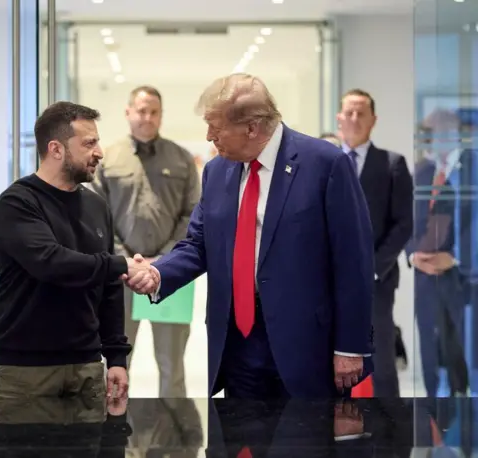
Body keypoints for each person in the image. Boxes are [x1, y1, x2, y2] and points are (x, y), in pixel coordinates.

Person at [126, 73, 375, 399]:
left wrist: (351, 346)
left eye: (216, 126)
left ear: (252, 128)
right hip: (237, 344)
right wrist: (158, 273)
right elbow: (200, 242)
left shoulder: (325, 164)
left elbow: (353, 260)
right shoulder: (217, 171)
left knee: (303, 444)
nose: (209, 135)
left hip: (306, 346)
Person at [0, 101, 154, 404]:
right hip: (26, 372)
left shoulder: (96, 205)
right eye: (89, 143)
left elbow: (108, 288)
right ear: (56, 149)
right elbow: (50, 263)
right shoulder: (17, 203)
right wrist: (122, 264)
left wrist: (117, 357)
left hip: (87, 368)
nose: (99, 152)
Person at [92, 86, 201, 398]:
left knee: (172, 365)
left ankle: (173, 445)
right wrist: (126, 260)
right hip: (120, 278)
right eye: (141, 110)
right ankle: (112, 438)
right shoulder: (108, 159)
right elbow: (98, 217)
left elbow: (192, 215)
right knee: (116, 364)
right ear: (128, 112)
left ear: (161, 116)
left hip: (171, 279)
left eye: (154, 111)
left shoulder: (181, 159)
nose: (147, 117)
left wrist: (163, 262)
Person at [337, 89, 413, 397]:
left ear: (373, 120)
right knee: (325, 360)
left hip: (376, 282)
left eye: (361, 113)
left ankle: (389, 438)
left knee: (380, 360)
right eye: (349, 112)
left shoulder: (392, 164)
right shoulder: (323, 162)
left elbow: (404, 224)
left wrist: (373, 268)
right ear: (339, 118)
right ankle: (327, 436)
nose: (354, 119)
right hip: (328, 280)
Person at [406, 109, 474, 397]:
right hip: (425, 275)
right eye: (433, 133)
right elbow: (405, 221)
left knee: (462, 350)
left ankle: (467, 421)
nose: (439, 138)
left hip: (465, 276)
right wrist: (412, 255)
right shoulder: (420, 172)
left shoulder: (473, 168)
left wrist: (457, 255)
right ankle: (434, 422)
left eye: (446, 131)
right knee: (430, 351)